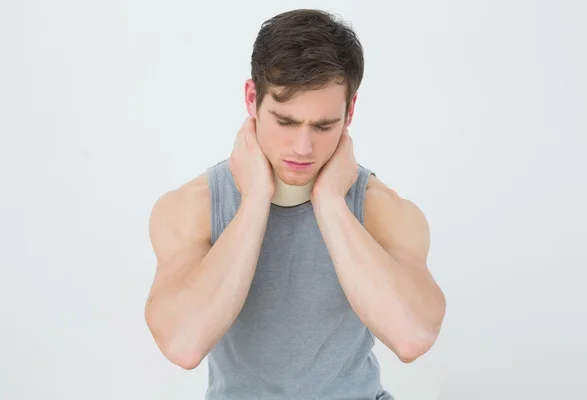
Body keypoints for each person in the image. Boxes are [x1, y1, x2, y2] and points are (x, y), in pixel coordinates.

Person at [145, 8, 446, 399]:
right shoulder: (191, 207)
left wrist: (331, 202)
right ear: (253, 99)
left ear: (349, 112)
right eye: (285, 122)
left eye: (323, 126)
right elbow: (183, 345)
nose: (303, 148)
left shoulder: (381, 209)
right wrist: (255, 200)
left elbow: (412, 338)